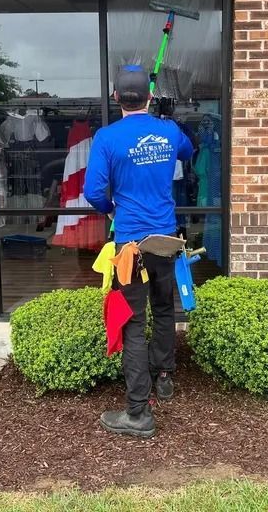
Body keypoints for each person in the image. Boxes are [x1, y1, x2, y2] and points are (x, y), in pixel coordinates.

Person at [83, 65, 193, 438]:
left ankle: (137, 413)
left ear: (116, 98)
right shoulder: (168, 131)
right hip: (165, 241)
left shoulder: (107, 137)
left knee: (132, 322)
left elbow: (94, 191)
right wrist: (166, 120)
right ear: (149, 97)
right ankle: (164, 376)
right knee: (164, 308)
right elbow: (188, 151)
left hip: (131, 245)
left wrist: (113, 208)